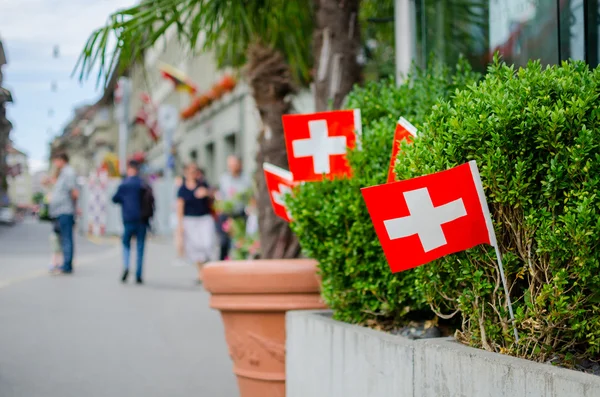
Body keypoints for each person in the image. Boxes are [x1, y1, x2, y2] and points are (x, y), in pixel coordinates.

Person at [112, 160, 152, 284]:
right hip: (142, 219)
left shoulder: (124, 184)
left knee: (126, 244)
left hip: (128, 219)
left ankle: (126, 266)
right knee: (140, 246)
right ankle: (139, 273)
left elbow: (114, 199)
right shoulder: (144, 183)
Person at [176, 163, 216, 283]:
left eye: (195, 171)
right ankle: (201, 273)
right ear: (186, 173)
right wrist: (180, 224)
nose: (194, 174)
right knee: (195, 247)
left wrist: (207, 193)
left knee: (207, 244)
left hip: (204, 218)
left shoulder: (203, 184)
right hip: (190, 220)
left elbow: (214, 196)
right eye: (191, 171)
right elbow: (180, 207)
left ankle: (206, 269)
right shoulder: (182, 189)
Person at [216, 155, 252, 260]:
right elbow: (220, 195)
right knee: (224, 242)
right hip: (226, 214)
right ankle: (222, 263)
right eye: (230, 165)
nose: (232, 167)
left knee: (241, 241)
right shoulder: (224, 178)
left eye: (235, 164)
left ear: (240, 165)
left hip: (240, 213)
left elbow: (250, 195)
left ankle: (240, 262)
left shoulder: (246, 178)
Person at [49, 152, 79, 275]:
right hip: (60, 210)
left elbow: (74, 192)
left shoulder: (68, 172)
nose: (55, 163)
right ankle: (65, 264)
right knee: (63, 238)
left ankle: (67, 265)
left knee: (66, 238)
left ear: (62, 160)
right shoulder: (63, 173)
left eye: (56, 160)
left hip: (65, 210)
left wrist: (75, 207)